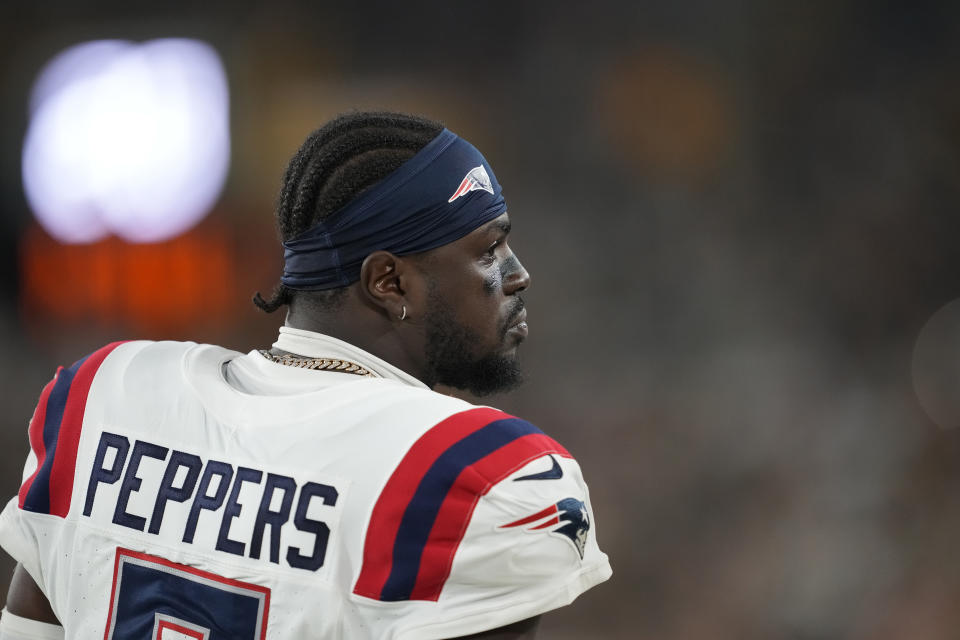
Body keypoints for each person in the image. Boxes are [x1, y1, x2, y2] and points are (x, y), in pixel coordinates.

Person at [0, 111, 611, 639]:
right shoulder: (479, 475)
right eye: (488, 249)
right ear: (389, 282)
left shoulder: (106, 392)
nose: (517, 273)